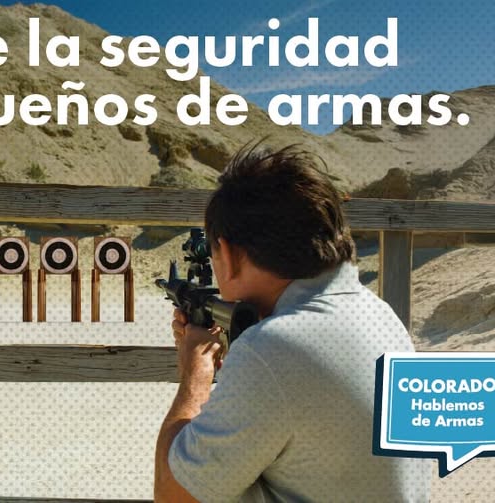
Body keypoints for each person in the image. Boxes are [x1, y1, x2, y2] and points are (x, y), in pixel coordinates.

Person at [154, 143, 430, 502]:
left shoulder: (270, 350)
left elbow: (172, 495)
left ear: (232, 255)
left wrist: (195, 372)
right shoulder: (381, 316)